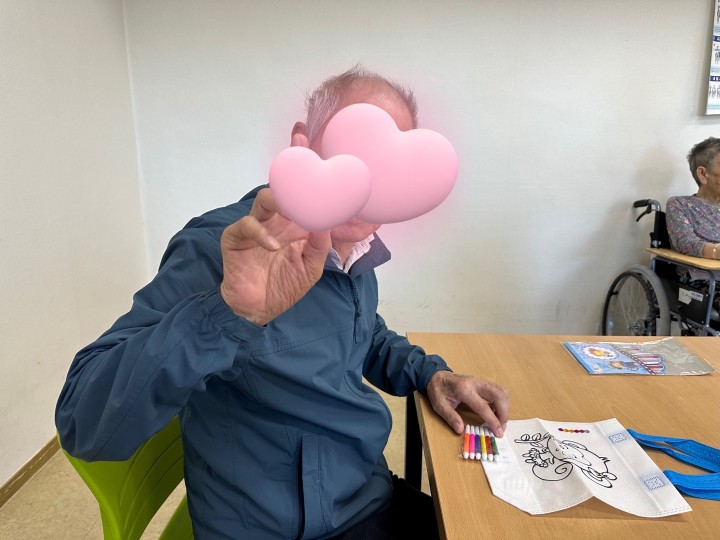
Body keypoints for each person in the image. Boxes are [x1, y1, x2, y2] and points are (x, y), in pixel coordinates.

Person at [55, 66, 510, 540]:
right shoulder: (222, 249)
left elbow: (363, 333)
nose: (368, 182)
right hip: (277, 527)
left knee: (485, 524)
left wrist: (430, 373)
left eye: (390, 165)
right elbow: (83, 422)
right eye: (356, 152)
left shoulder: (356, 250)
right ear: (304, 143)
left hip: (362, 494)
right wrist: (228, 312)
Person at [666, 137, 720, 307]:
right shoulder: (679, 205)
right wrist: (716, 251)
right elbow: (685, 242)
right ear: (703, 174)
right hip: (702, 280)